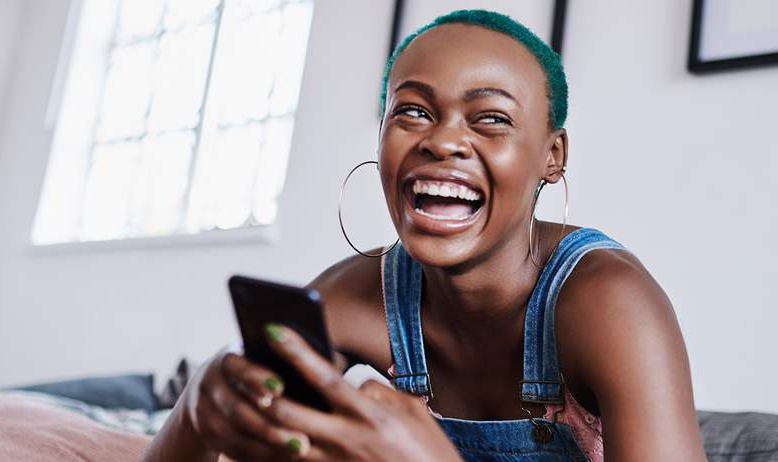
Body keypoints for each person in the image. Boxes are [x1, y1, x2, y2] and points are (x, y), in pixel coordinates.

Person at [143, 9, 708, 462]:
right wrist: (196, 408)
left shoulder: (609, 302)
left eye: (490, 118)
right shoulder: (353, 298)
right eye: (412, 111)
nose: (442, 142)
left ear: (552, 156)